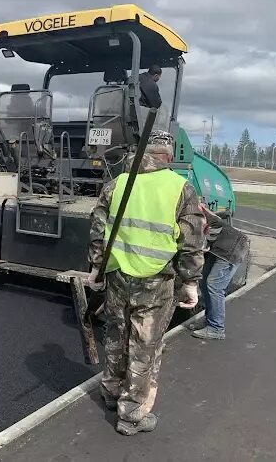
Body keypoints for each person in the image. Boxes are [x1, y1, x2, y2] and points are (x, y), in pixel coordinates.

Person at [88, 130, 205, 436]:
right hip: (155, 282)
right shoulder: (180, 188)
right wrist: (190, 282)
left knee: (116, 333)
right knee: (144, 345)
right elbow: (191, 241)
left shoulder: (117, 184)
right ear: (167, 158)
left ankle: (111, 392)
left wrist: (96, 267)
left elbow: (98, 229)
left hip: (117, 277)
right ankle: (132, 415)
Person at [191, 205, 250, 340]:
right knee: (204, 281)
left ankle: (216, 328)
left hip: (232, 247)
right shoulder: (194, 214)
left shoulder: (196, 213)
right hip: (218, 248)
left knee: (214, 285)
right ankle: (209, 319)